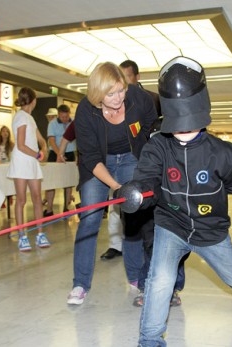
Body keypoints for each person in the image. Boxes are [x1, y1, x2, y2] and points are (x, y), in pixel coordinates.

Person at [116, 56, 232, 346]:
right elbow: (147, 178)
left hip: (211, 231)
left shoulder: (227, 154)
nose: (183, 131)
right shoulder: (157, 146)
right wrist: (137, 193)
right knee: (159, 281)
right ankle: (150, 339)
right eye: (178, 125)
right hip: (171, 225)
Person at [66, 62, 157, 305]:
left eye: (121, 91)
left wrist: (140, 142)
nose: (119, 98)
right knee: (91, 219)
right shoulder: (85, 111)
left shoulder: (138, 97)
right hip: (99, 164)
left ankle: (137, 277)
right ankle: (80, 284)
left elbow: (150, 120)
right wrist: (116, 187)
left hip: (129, 156)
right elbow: (91, 158)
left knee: (133, 216)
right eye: (111, 94)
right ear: (98, 94)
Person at [120, 59, 188, 307]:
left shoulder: (183, 129)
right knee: (151, 244)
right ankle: (147, 286)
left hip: (176, 199)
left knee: (177, 247)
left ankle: (173, 289)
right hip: (151, 198)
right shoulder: (143, 132)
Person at [7, 87, 50, 252]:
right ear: (34, 100)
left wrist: (44, 148)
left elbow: (40, 139)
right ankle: (22, 236)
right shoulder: (20, 117)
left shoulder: (30, 118)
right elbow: (21, 145)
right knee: (21, 200)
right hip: (22, 161)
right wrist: (38, 155)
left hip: (31, 161)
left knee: (37, 197)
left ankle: (40, 234)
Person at [43, 105, 76, 216]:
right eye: (62, 117)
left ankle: (66, 207)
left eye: (66, 116)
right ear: (58, 115)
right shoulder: (52, 124)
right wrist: (59, 154)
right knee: (51, 182)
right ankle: (49, 209)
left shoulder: (74, 123)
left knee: (68, 182)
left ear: (69, 114)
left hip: (70, 153)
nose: (64, 119)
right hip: (55, 153)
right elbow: (51, 141)